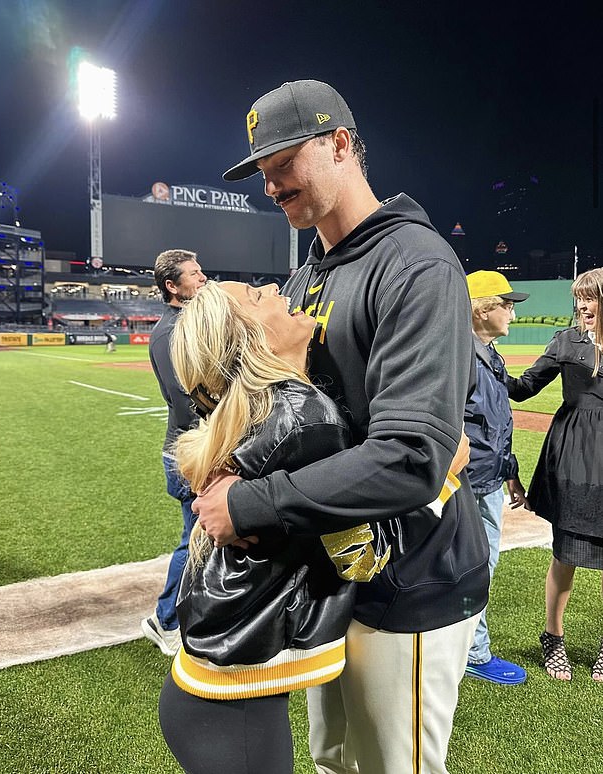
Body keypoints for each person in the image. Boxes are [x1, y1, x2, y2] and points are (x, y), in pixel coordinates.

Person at [193, 79, 490, 774]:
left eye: (283, 163)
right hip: (328, 572)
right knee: (332, 763)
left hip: (411, 578)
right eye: (263, 172)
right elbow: (287, 419)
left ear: (340, 144)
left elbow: (413, 456)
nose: (270, 184)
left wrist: (250, 502)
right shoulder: (302, 282)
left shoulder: (413, 261)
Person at [158, 280, 468, 774]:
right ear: (254, 340)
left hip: (212, 689)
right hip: (232, 705)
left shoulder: (267, 410)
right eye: (257, 297)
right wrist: (440, 478)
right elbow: (360, 556)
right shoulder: (307, 420)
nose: (275, 287)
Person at [507, 267, 603, 682]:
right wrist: (483, 363)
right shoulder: (567, 341)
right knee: (566, 552)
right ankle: (553, 637)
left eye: (591, 297)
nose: (582, 305)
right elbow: (525, 387)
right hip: (574, 456)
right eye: (579, 297)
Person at [462, 270, 530, 685]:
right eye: (506, 305)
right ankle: (473, 652)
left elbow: (498, 423)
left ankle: (464, 645)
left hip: (488, 480)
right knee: (476, 566)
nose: (512, 314)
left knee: (478, 565)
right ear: (482, 309)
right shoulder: (459, 356)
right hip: (464, 486)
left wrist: (511, 475)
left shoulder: (490, 354)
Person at [140, 249, 206, 656]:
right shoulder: (170, 332)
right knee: (195, 539)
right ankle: (164, 621)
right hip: (189, 451)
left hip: (196, 447)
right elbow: (185, 401)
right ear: (172, 285)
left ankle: (188, 613)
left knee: (204, 539)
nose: (202, 277)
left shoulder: (188, 322)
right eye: (194, 273)